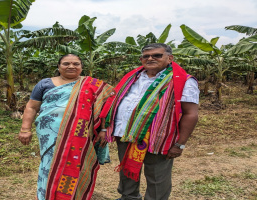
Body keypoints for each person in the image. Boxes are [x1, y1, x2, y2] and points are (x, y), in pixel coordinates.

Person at [100, 43, 199, 200]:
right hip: (124, 133)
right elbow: (113, 101)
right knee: (127, 171)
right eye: (146, 56)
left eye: (157, 55)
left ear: (170, 58)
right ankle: (129, 197)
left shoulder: (182, 81)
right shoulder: (132, 77)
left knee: (157, 177)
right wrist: (105, 128)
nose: (150, 58)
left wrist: (180, 144)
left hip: (157, 137)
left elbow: (190, 114)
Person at [18, 54, 115, 200]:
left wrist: (103, 129)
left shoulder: (92, 85)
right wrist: (25, 129)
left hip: (81, 133)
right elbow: (31, 107)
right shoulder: (45, 84)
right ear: (58, 67)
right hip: (49, 133)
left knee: (76, 162)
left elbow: (108, 106)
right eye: (66, 63)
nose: (71, 66)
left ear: (81, 67)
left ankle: (73, 194)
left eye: (76, 64)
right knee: (49, 162)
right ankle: (47, 194)